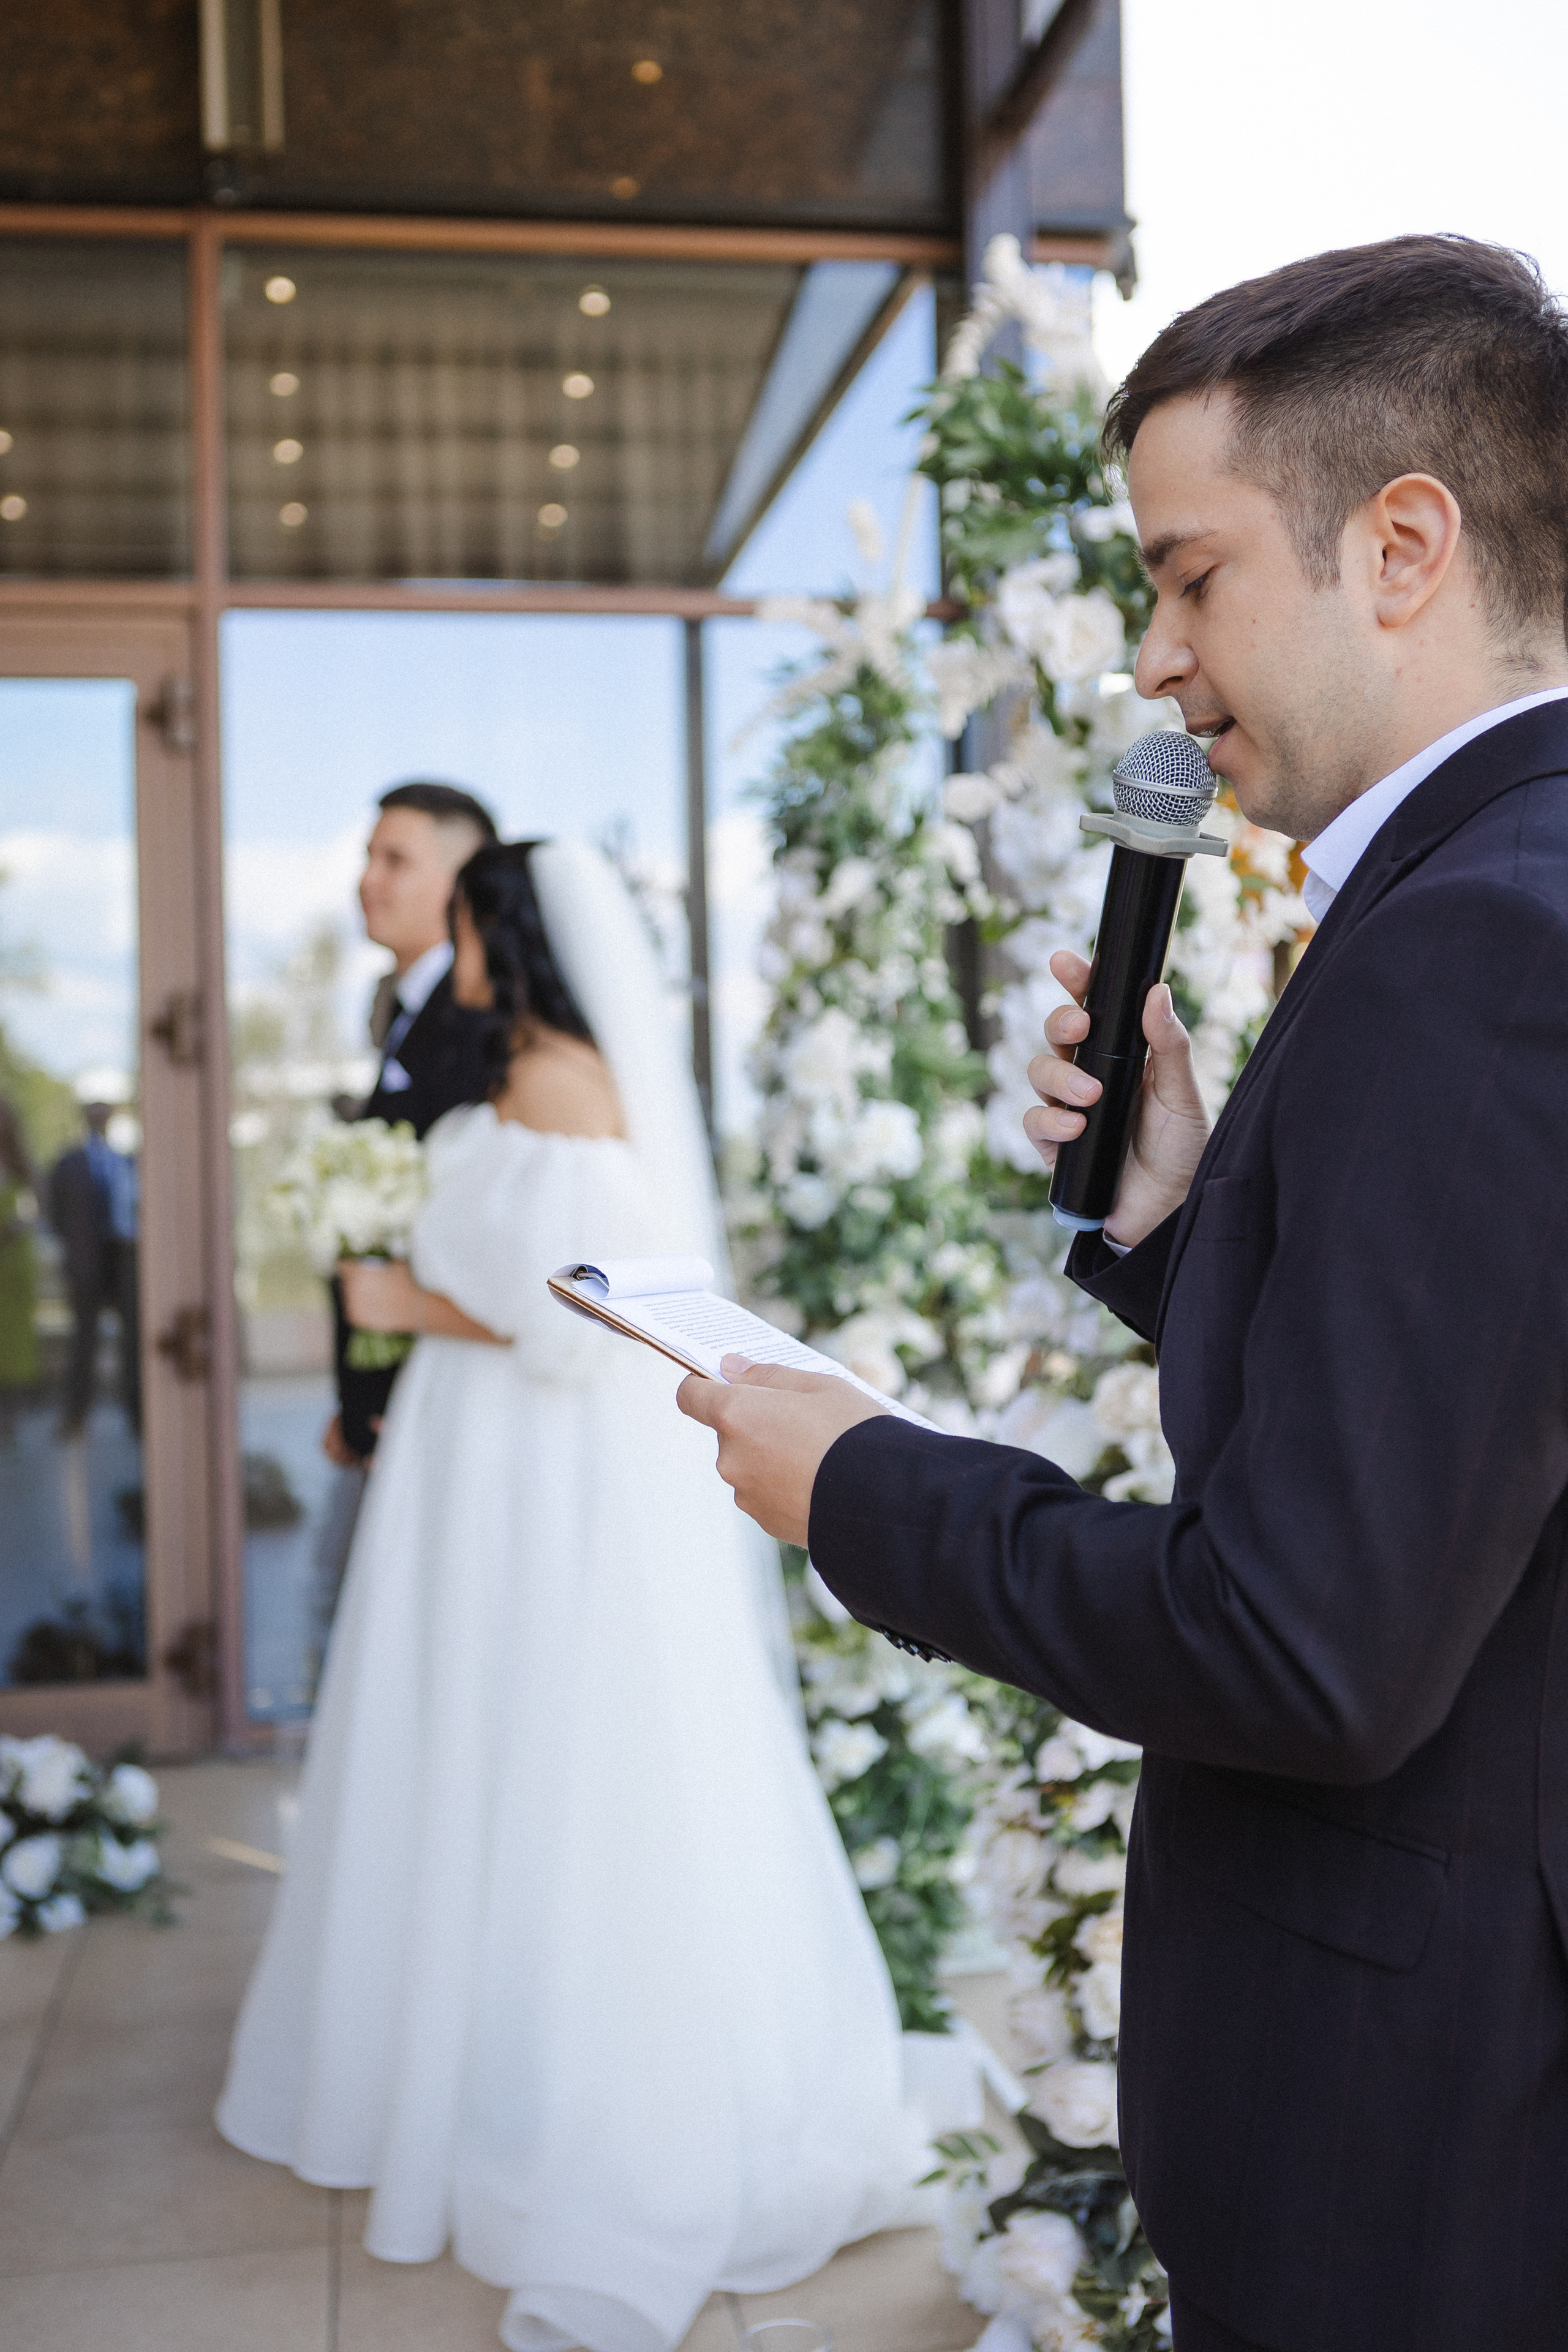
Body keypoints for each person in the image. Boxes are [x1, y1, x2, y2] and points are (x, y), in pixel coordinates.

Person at [678, 235, 1568, 2352]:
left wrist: (865, 1486)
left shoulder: (1481, 943)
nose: (1155, 659)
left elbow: (1300, 1647)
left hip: (1411, 2127)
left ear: (1402, 546)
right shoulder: (1498, 890)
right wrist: (1173, 1225)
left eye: (1191, 577)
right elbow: (1468, 1430)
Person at [218, 839, 928, 2352]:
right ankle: (465, 2063)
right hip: (470, 1459)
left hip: (529, 1467)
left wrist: (402, 1302)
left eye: (471, 923)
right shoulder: (511, 1071)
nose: (456, 947)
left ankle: (560, 2102)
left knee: (541, 1764)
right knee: (464, 1758)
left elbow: (580, 1317)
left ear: (509, 935)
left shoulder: (561, 1087)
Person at [314, 782, 497, 1640]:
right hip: (391, 1403)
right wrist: (356, 1401)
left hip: (447, 1400)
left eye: (396, 860)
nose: (368, 880)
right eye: (367, 858)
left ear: (463, 883)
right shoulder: (396, 1007)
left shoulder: (480, 1023)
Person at [47, 1095, 139, 1440]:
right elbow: (56, 1215)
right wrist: (74, 1256)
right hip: (86, 1265)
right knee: (83, 1342)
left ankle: (138, 1416)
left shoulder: (125, 1161)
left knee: (134, 1341)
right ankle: (76, 1416)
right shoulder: (68, 1164)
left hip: (123, 1262)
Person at [0, 1096, 39, 1444]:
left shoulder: (20, 1164)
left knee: (15, 1347)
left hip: (15, 1267)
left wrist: (19, 1225)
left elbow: (34, 1207)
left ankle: (10, 1425)